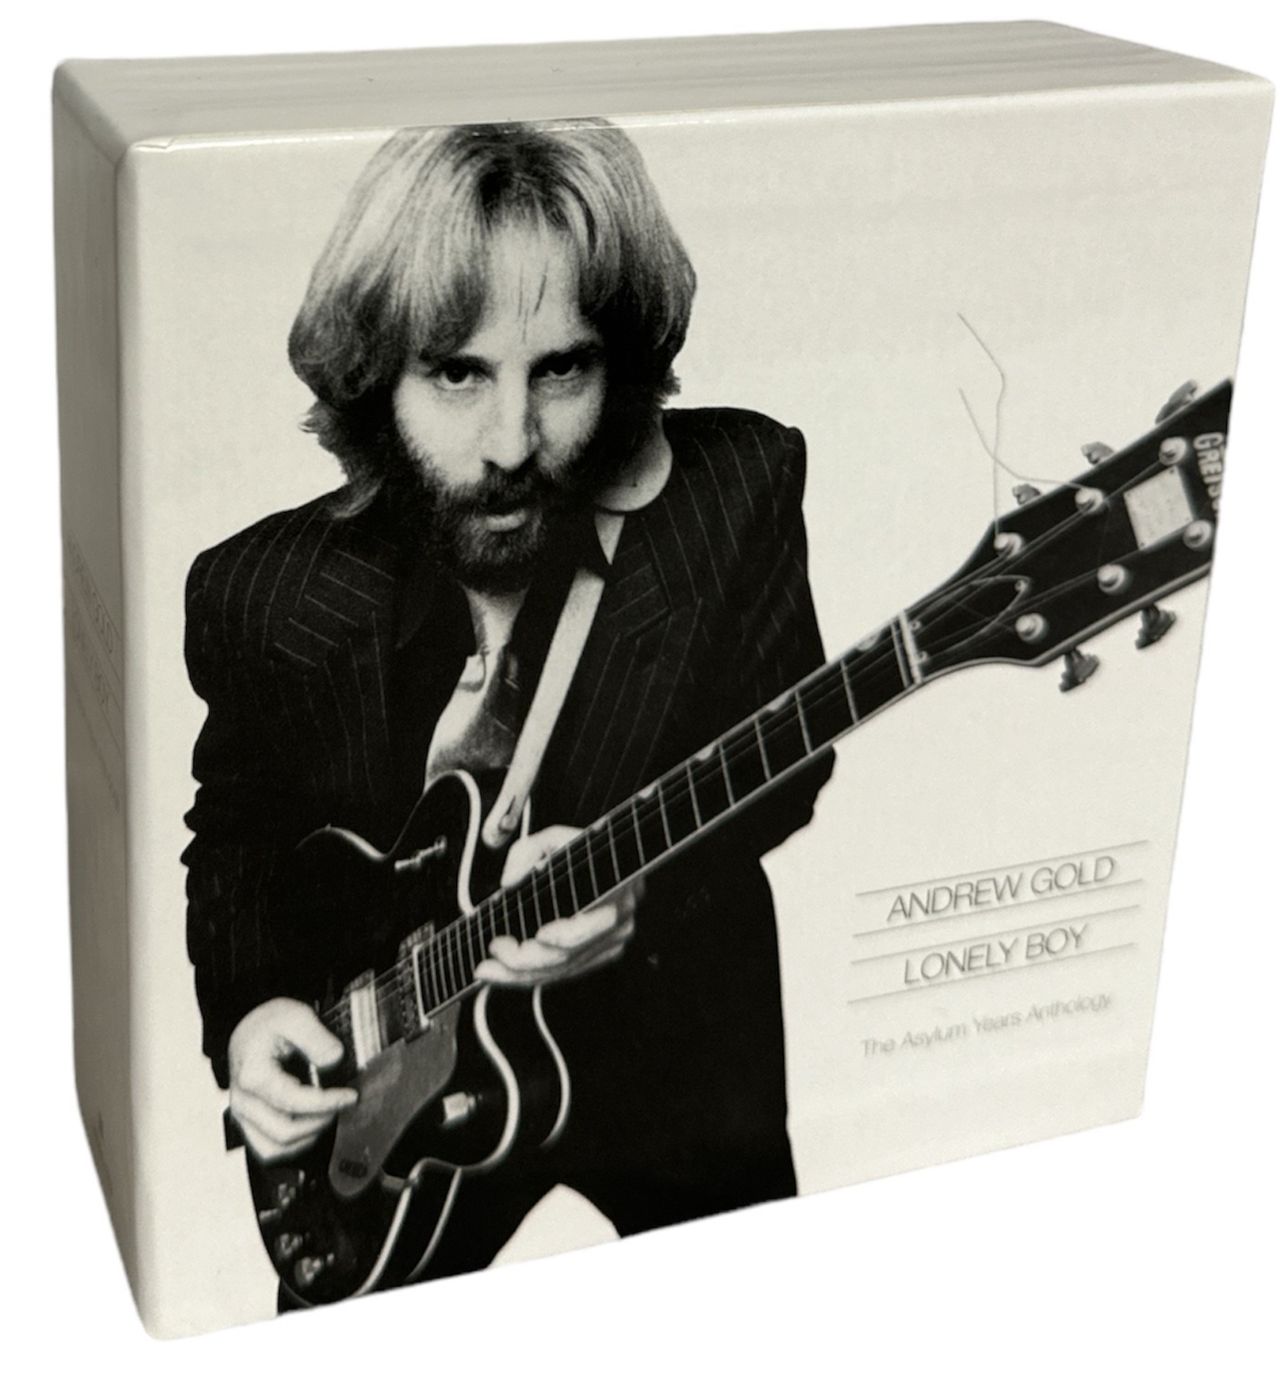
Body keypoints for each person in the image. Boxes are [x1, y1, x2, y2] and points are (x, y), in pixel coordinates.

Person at [182, 118, 834, 1295]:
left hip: (674, 1045)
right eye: (456, 371)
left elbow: (787, 769)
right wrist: (247, 1012)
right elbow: (237, 833)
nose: (512, 443)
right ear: (375, 374)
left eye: (562, 370)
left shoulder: (732, 493)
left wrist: (640, 889)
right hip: (392, 1101)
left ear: (616, 366)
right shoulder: (262, 595)